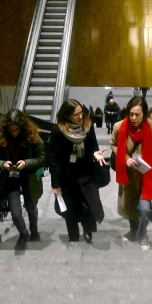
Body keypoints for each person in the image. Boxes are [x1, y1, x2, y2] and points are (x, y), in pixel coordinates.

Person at [107, 96, 152, 251]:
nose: (133, 118)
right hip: (128, 175)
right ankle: (134, 231)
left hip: (147, 175)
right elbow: (113, 144)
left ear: (144, 114)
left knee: (145, 208)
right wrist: (125, 158)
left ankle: (142, 234)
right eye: (131, 114)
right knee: (131, 206)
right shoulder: (119, 127)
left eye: (137, 114)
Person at [47, 99, 105, 243]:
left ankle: (87, 229)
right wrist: (55, 184)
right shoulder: (58, 131)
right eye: (76, 114)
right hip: (67, 177)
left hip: (86, 173)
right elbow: (53, 160)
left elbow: (93, 146)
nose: (81, 117)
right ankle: (73, 235)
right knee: (70, 208)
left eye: (81, 113)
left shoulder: (88, 126)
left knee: (89, 204)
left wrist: (95, 154)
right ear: (66, 116)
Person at [0, 110, 45, 250]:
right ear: (6, 127)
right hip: (10, 177)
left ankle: (34, 230)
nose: (14, 132)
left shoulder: (33, 136)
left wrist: (26, 163)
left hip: (29, 176)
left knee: (31, 206)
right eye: (11, 130)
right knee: (15, 211)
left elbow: (41, 158)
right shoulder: (1, 137)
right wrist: (3, 164)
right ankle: (24, 233)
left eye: (17, 129)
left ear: (23, 126)